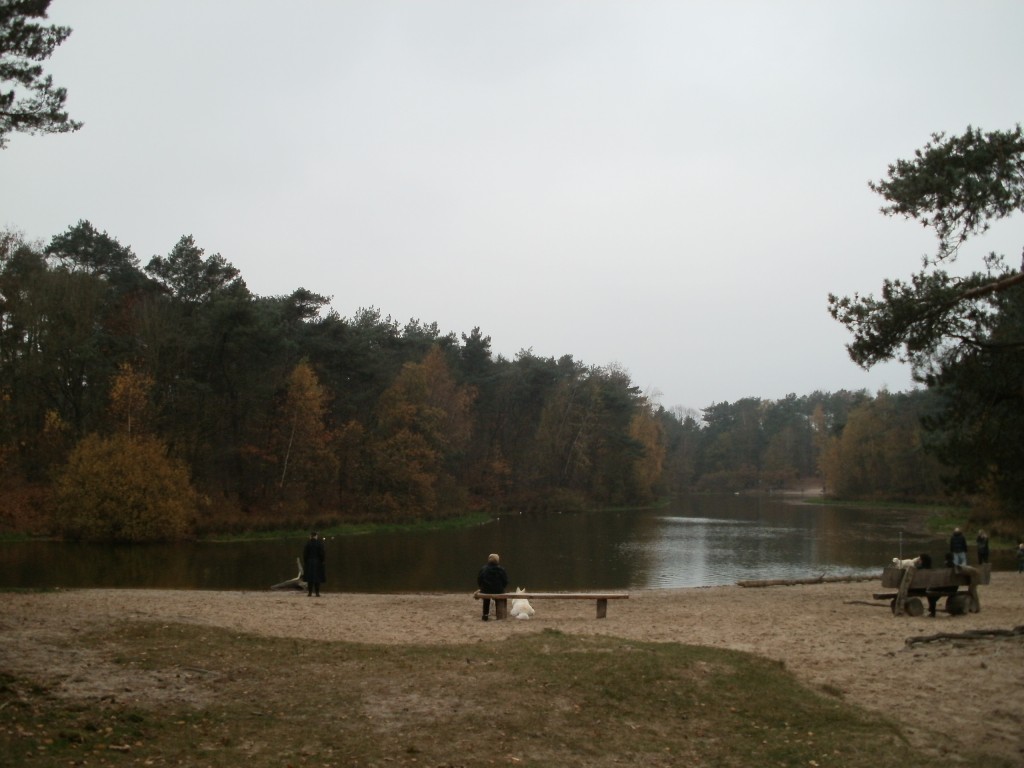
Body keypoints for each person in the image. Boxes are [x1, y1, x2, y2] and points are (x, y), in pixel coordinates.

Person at [476, 553, 508, 621]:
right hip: (499, 590)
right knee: (500, 597)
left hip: (485, 590)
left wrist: (482, 587)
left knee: (486, 599)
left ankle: (485, 614)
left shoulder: (483, 569)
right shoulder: (501, 570)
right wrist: (502, 587)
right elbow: (505, 581)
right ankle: (499, 615)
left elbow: (479, 580)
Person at [303, 531, 326, 597]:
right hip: (318, 562)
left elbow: (305, 554)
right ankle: (317, 593)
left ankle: (310, 593)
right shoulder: (319, 544)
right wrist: (322, 561)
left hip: (309, 562)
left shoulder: (307, 544)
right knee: (317, 578)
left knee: (309, 578)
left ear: (310, 536)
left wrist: (306, 561)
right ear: (316, 536)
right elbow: (322, 553)